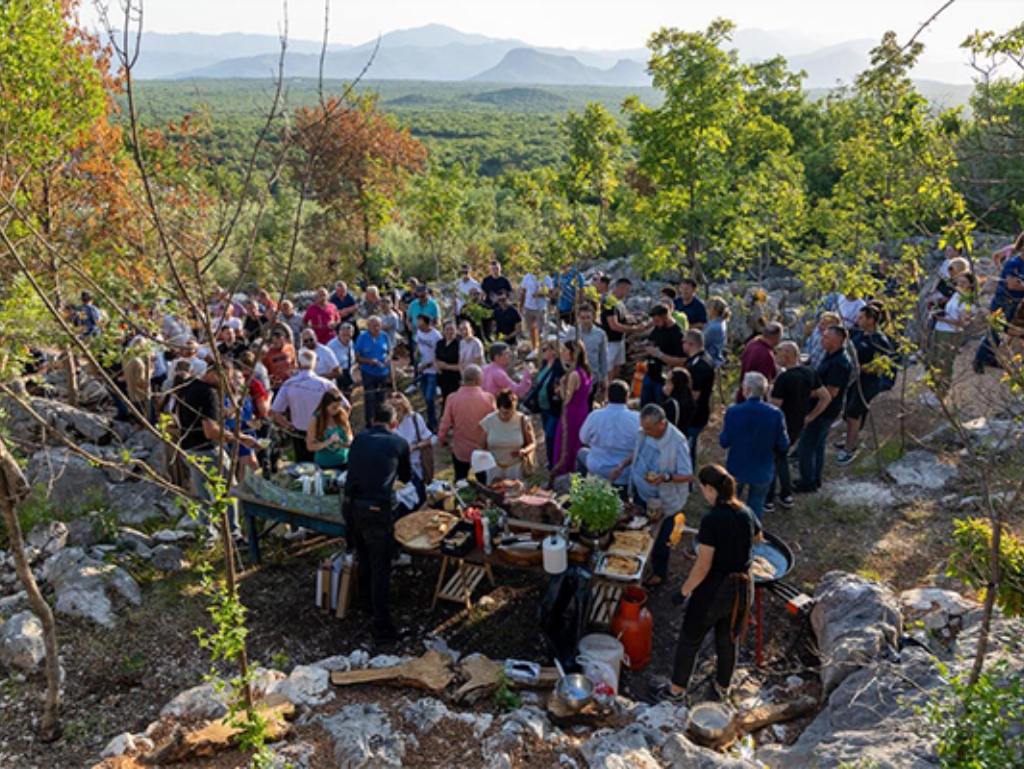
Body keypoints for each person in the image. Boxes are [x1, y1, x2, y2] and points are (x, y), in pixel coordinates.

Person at [653, 464, 761, 704]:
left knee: (690, 638)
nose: (703, 492)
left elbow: (703, 566)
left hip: (716, 589)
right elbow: (758, 537)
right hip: (743, 587)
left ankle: (676, 691)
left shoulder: (712, 519)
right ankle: (723, 687)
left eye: (703, 488)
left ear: (710, 488)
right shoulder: (745, 511)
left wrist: (683, 592)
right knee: (728, 637)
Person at [342, 402, 412, 643]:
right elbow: (406, 476)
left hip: (350, 505)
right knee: (381, 564)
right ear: (394, 424)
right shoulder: (398, 443)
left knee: (364, 557)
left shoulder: (360, 438)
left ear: (373, 421)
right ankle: (383, 627)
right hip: (374, 508)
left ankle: (366, 606)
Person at [623, 404, 694, 586]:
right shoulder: (644, 432)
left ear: (661, 424)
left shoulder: (677, 442)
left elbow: (688, 475)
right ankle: (637, 564)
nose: (644, 431)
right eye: (643, 427)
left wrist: (667, 477)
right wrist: (621, 466)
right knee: (638, 531)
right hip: (641, 494)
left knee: (662, 539)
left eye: (649, 428)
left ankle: (660, 573)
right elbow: (636, 453)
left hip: (663, 500)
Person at [768, 342, 830, 510]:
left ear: (787, 355)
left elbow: (774, 406)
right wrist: (809, 417)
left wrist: (767, 393)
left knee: (774, 459)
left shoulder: (784, 378)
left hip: (781, 425)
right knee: (781, 457)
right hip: (798, 425)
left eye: (778, 353)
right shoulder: (809, 372)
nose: (776, 357)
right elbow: (825, 397)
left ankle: (772, 497)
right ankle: (785, 495)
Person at [720, 372, 789, 520]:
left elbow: (724, 442)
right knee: (756, 506)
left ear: (747, 389)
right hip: (763, 467)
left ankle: (729, 531)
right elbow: (783, 444)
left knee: (730, 503)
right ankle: (751, 534)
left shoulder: (733, 412)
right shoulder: (776, 414)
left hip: (737, 466)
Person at [795, 325, 852, 493]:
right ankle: (814, 479)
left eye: (826, 337)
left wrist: (806, 397)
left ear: (836, 341)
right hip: (823, 409)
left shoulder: (840, 363)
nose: (822, 339)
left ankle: (807, 482)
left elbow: (831, 393)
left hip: (824, 410)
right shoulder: (830, 355)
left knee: (806, 446)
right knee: (818, 446)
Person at [838, 305, 895, 466]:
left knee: (853, 414)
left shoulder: (879, 340)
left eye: (862, 317)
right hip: (854, 381)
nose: (858, 320)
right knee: (851, 412)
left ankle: (849, 449)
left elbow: (882, 366)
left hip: (868, 383)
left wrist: (860, 367)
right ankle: (851, 440)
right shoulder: (859, 334)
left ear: (871, 320)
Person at [270, 349, 338, 463]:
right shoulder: (325, 384)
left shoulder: (289, 384)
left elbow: (275, 411)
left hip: (299, 432)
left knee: (303, 468)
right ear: (315, 363)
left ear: (299, 363)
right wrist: (335, 424)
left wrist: (287, 425)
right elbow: (346, 406)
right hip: (322, 430)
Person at [438, 365, 497, 481]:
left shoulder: (452, 398)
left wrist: (441, 440)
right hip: (482, 448)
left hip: (461, 448)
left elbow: (445, 424)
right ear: (479, 379)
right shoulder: (488, 398)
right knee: (483, 483)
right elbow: (494, 423)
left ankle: (460, 499)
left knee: (460, 480)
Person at [974, 239, 1024, 373]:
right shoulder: (1013, 263)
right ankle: (980, 360)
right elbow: (1012, 284)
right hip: (1004, 301)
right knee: (996, 331)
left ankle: (989, 357)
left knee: (1005, 331)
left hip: (1016, 302)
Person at [578, 380, 639, 486]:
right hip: (624, 472)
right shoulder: (636, 418)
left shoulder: (595, 416)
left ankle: (582, 487)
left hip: (597, 468)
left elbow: (583, 439)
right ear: (626, 398)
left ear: (607, 396)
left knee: (581, 453)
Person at [929, 271, 977, 400]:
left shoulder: (969, 300)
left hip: (951, 333)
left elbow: (962, 323)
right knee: (935, 359)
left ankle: (942, 393)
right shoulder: (957, 294)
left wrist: (942, 319)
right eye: (958, 282)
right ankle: (935, 390)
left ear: (970, 284)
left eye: (964, 282)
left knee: (945, 362)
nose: (960, 285)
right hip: (941, 329)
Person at [551, 340, 592, 476]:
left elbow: (566, 399)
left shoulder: (574, 374)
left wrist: (562, 385)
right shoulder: (586, 371)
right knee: (577, 442)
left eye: (565, 350)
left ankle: (563, 471)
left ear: (573, 354)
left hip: (571, 413)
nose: (562, 353)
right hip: (582, 410)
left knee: (565, 443)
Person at [524, 339, 565, 470]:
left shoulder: (559, 367)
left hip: (554, 407)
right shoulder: (544, 365)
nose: (542, 353)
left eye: (545, 350)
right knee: (547, 432)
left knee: (550, 435)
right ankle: (550, 460)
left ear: (554, 351)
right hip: (543, 407)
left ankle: (553, 462)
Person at [480, 390, 536, 481]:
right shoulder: (488, 421)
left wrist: (524, 451)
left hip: (516, 468)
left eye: (511, 412)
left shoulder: (523, 420)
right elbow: (481, 447)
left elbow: (532, 443)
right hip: (494, 468)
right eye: (504, 413)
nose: (508, 416)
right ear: (498, 408)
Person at [600, 278, 648, 382]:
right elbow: (613, 325)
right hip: (610, 341)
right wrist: (634, 330)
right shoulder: (609, 301)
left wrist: (637, 318)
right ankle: (606, 393)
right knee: (609, 369)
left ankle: (614, 389)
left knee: (617, 367)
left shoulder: (619, 302)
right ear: (621, 288)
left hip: (620, 340)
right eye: (627, 290)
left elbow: (625, 318)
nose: (628, 293)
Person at [389, 392, 434, 501]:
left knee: (419, 497)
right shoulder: (387, 423)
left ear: (404, 408)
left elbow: (428, 440)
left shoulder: (415, 419)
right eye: (392, 409)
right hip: (396, 468)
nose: (396, 413)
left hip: (415, 465)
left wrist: (414, 447)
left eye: (398, 409)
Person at [641, 304, 686, 406]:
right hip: (651, 373)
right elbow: (653, 340)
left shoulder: (677, 334)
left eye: (657, 321)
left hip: (664, 379)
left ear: (666, 317)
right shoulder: (658, 328)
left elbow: (682, 360)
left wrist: (660, 355)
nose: (655, 324)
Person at [354, 316, 392, 426]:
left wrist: (388, 359)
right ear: (368, 326)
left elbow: (390, 351)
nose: (376, 328)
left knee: (381, 397)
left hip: (383, 371)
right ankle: (369, 422)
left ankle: (381, 421)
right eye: (373, 326)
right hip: (368, 371)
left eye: (378, 325)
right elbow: (357, 356)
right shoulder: (362, 337)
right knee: (369, 397)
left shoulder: (384, 336)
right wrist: (368, 361)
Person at [566, 304, 609, 397]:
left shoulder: (600, 334)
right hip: (574, 377)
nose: (586, 321)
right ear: (578, 318)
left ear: (593, 317)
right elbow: (565, 353)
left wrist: (604, 378)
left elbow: (603, 357)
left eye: (588, 317)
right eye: (583, 318)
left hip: (592, 377)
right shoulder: (572, 332)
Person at [306, 388, 352, 470]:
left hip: (344, 461)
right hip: (325, 465)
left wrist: (348, 442)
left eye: (339, 406)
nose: (337, 410)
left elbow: (349, 434)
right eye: (334, 407)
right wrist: (328, 442)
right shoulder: (316, 419)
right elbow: (310, 446)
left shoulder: (342, 414)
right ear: (325, 406)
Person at [737, 321, 782, 401]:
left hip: (743, 391)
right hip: (754, 399)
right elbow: (764, 383)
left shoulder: (752, 343)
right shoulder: (766, 355)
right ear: (776, 337)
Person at [414, 314, 443, 431]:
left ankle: (433, 422)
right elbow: (418, 344)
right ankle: (431, 419)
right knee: (425, 396)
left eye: (421, 324)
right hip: (422, 368)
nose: (418, 326)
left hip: (432, 370)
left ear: (427, 324)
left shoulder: (436, 336)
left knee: (430, 397)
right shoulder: (419, 332)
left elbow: (439, 355)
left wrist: (427, 365)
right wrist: (416, 353)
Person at [520, 268, 553, 353]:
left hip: (540, 307)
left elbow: (551, 292)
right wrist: (521, 305)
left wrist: (540, 294)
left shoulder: (545, 277)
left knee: (541, 330)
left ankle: (543, 349)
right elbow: (524, 291)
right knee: (531, 328)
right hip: (529, 306)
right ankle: (534, 348)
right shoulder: (527, 276)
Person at [434, 319, 463, 408]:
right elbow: (435, 357)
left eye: (452, 329)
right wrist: (436, 366)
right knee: (445, 399)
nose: (450, 332)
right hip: (442, 377)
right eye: (447, 329)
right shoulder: (440, 343)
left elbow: (461, 364)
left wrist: (446, 366)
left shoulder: (459, 344)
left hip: (455, 377)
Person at [662, 367, 696, 435]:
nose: (665, 383)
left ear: (675, 384)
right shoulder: (690, 401)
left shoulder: (671, 405)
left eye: (668, 381)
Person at [326, 323, 356, 399]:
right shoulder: (331, 345)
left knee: (348, 397)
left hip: (349, 372)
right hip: (337, 374)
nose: (347, 338)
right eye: (344, 335)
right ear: (339, 334)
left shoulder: (351, 343)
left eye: (349, 335)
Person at [703, 297, 730, 368]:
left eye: (708, 308)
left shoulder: (714, 327)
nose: (706, 310)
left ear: (714, 310)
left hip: (710, 361)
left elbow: (702, 343)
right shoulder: (720, 322)